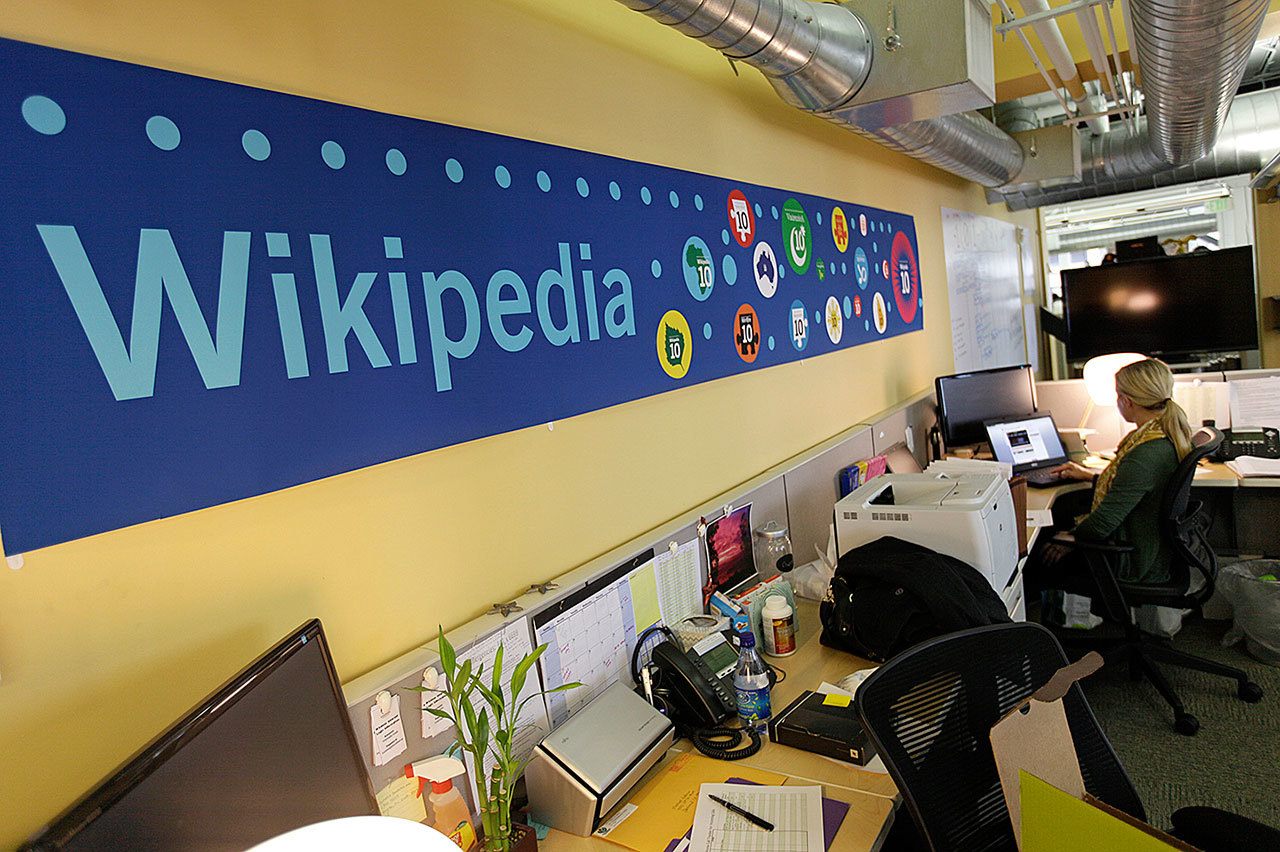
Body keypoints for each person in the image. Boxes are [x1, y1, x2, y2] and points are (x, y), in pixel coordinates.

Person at [1040, 358, 1195, 585]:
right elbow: (1134, 487)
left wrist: (1070, 537)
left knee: (1039, 546)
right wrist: (1090, 476)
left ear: (1127, 401)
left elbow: (1103, 523)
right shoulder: (1162, 433)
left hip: (1130, 559)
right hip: (1148, 545)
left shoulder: (1145, 454)